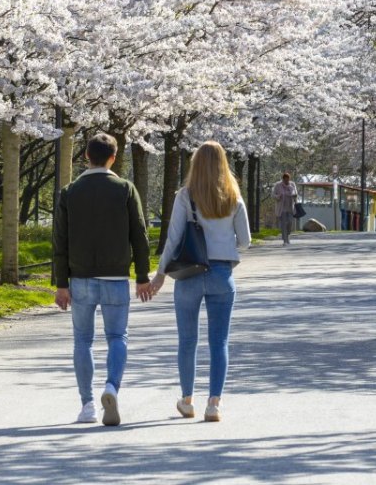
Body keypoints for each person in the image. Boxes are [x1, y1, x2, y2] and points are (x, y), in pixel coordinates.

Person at [53, 132, 153, 426]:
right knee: (117, 337)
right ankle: (111, 387)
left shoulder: (69, 192)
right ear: (113, 157)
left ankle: (87, 406)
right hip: (116, 276)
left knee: (82, 340)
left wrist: (61, 284)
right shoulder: (125, 189)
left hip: (80, 277)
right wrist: (142, 276)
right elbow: (140, 236)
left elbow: (60, 241)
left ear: (86, 156)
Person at [150, 141, 251, 422]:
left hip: (189, 274)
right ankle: (214, 403)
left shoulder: (185, 196)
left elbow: (173, 239)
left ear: (195, 164)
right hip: (221, 273)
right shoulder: (234, 197)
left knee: (187, 340)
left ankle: (187, 400)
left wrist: (160, 274)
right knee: (219, 342)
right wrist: (225, 244)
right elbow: (245, 241)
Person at [272, 172, 299, 245]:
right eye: (285, 180)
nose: (287, 181)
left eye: (288, 179)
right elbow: (273, 195)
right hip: (282, 208)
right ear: (283, 179)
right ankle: (285, 240)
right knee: (283, 224)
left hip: (290, 208)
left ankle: (287, 235)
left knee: (290, 223)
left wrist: (294, 195)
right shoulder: (278, 185)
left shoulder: (292, 184)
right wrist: (278, 196)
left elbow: (296, 193)